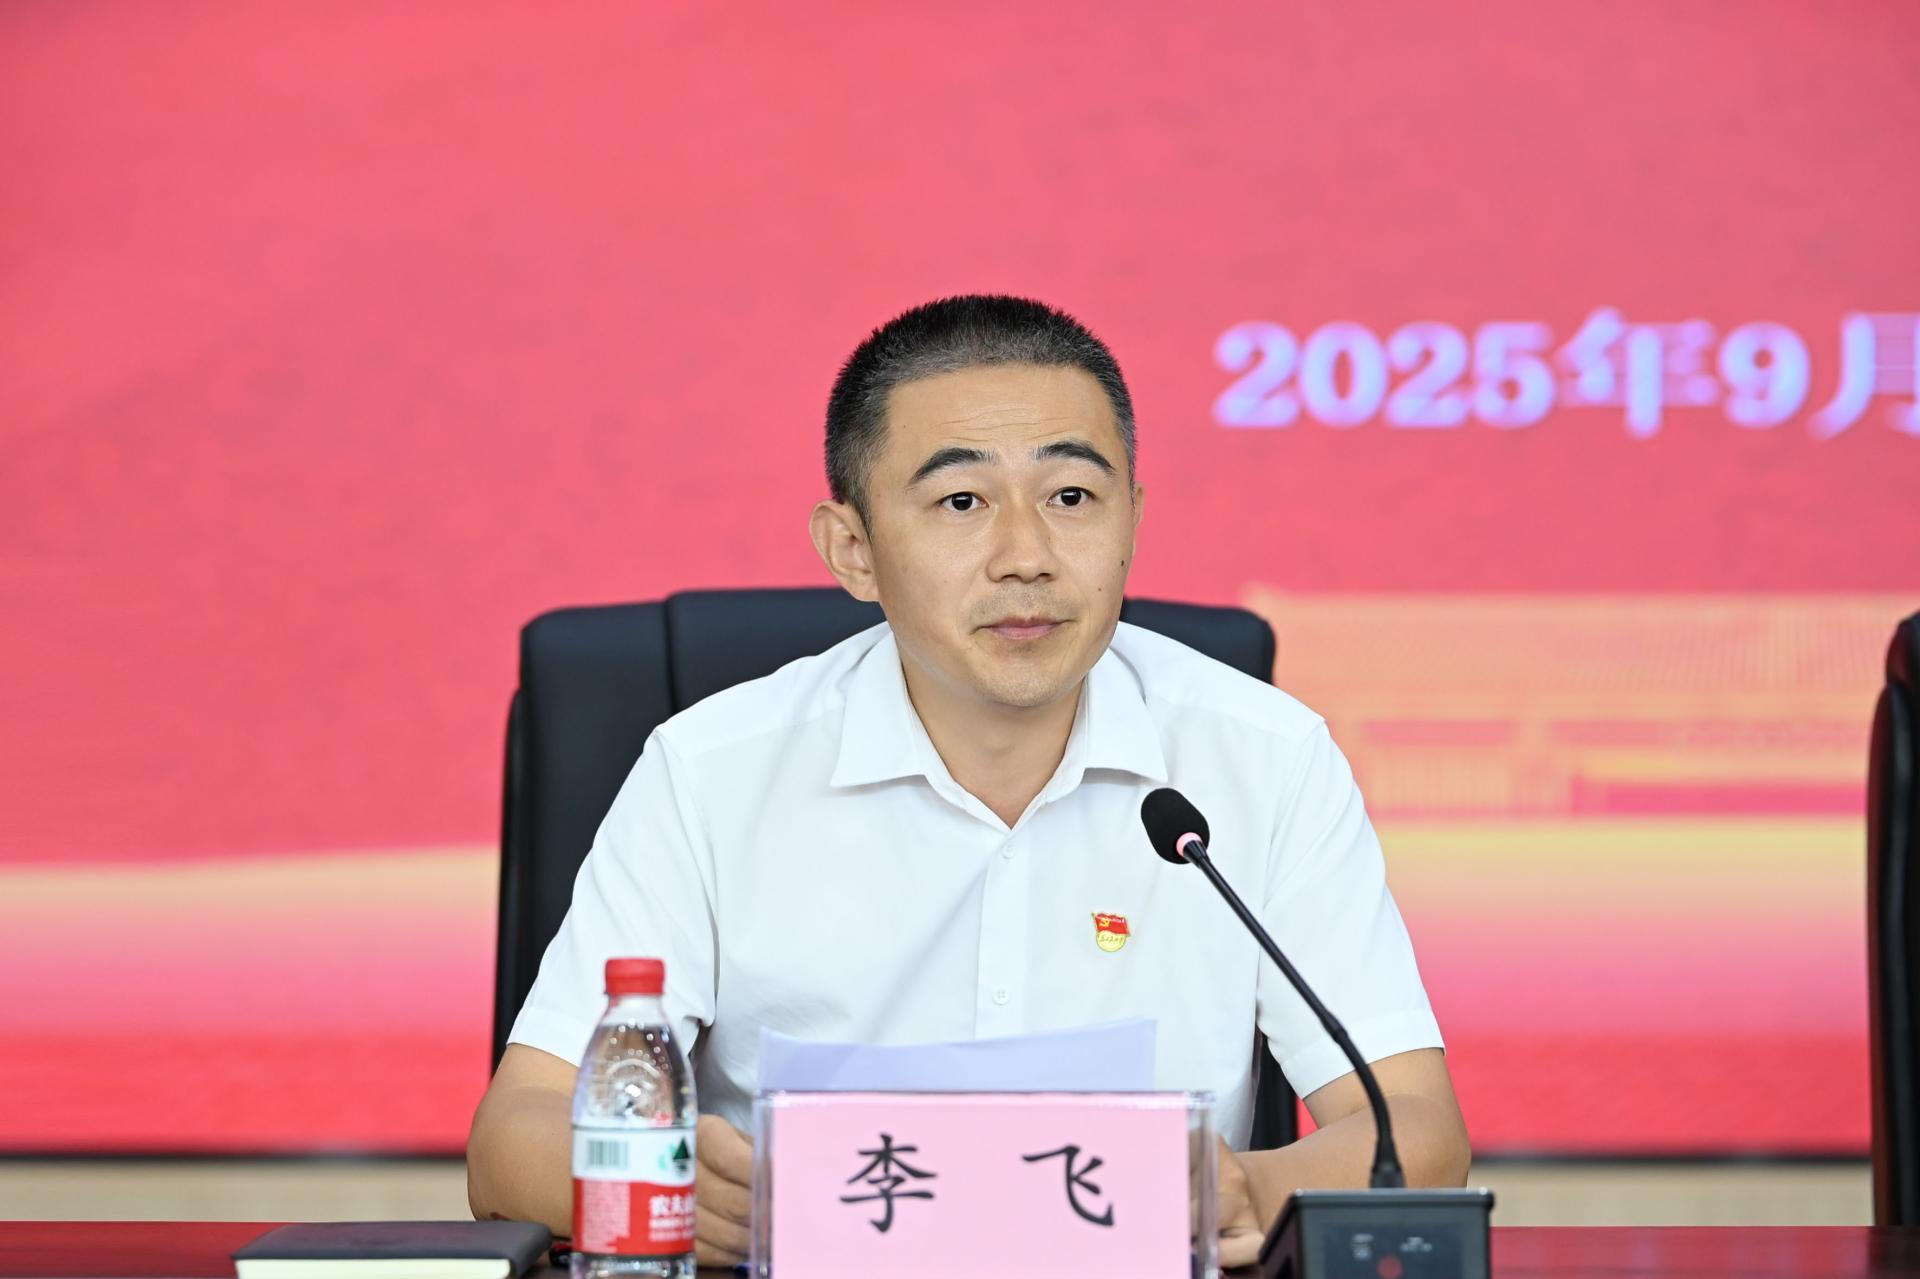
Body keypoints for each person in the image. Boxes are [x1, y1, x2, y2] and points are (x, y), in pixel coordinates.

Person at [465, 295, 1470, 1267]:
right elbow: (513, 1141)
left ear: (1132, 520)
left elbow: (1415, 1131)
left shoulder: (1263, 758)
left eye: (1071, 498)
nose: (1026, 557)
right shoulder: (712, 772)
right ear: (853, 549)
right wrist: (684, 1190)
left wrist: (1246, 1187)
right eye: (961, 502)